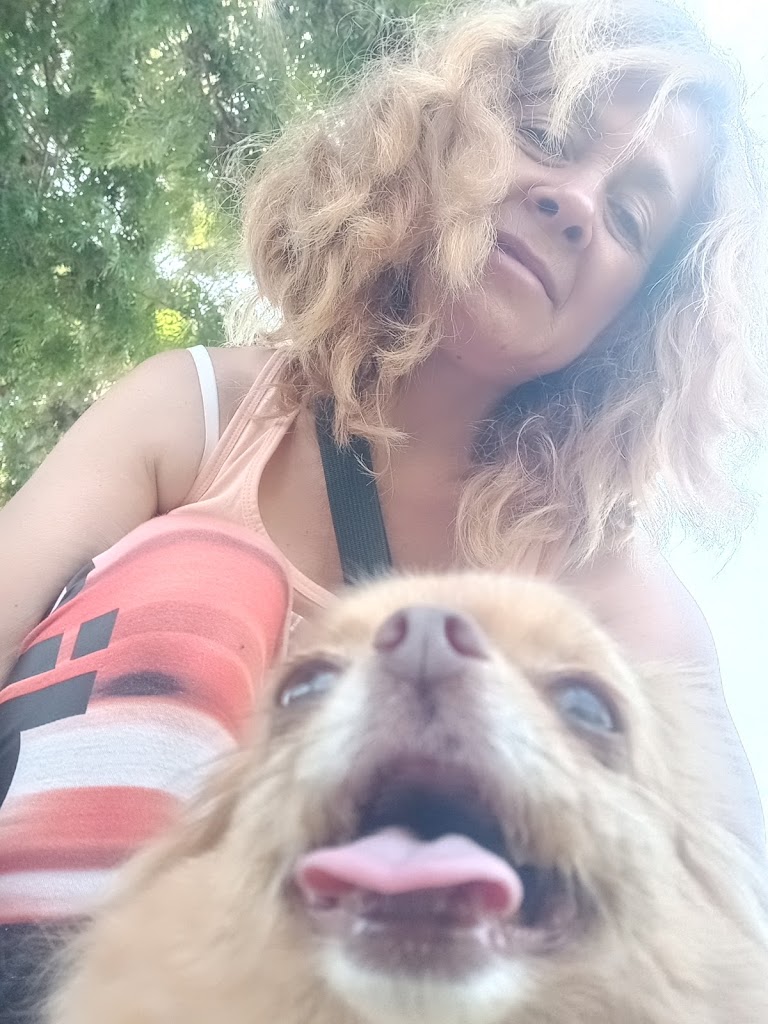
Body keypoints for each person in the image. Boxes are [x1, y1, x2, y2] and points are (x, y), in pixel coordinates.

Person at [0, 0, 766, 998]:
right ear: (443, 135)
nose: (577, 202)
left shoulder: (624, 600)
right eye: (547, 135)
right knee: (204, 581)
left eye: (628, 216)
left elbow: (737, 936)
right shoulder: (199, 411)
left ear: (632, 316)